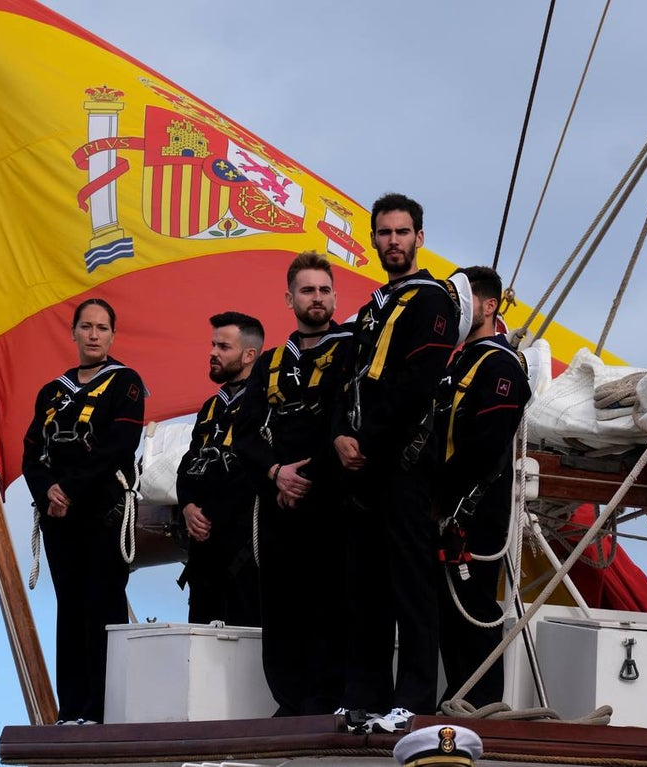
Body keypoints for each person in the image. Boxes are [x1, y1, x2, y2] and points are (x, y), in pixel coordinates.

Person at [334, 193, 461, 732]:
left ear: (419, 239)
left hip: (405, 464)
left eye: (402, 232)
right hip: (362, 467)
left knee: (411, 584)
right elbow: (347, 377)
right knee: (365, 585)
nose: (393, 241)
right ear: (373, 241)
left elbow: (417, 383)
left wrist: (365, 438)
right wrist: (340, 435)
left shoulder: (432, 302)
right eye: (384, 233)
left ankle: (414, 699)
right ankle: (364, 695)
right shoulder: (372, 309)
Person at [234, 251, 354, 715]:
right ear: (289, 299)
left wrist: (306, 476)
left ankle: (327, 699)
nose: (317, 298)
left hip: (333, 500)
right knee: (281, 603)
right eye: (307, 290)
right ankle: (289, 700)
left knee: (332, 600)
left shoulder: (353, 350)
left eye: (324, 290)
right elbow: (244, 432)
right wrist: (275, 474)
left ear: (335, 297)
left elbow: (350, 421)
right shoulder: (270, 363)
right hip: (279, 501)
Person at [21, 298, 146, 725]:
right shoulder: (51, 392)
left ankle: (101, 711)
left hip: (103, 512)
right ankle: (70, 709)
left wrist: (70, 489)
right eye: (86, 327)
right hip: (60, 518)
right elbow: (32, 452)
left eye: (102, 328)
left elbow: (118, 447)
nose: (94, 335)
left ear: (113, 335)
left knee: (102, 608)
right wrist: (48, 492)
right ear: (73, 332)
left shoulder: (125, 383)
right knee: (70, 610)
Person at [432, 266, 531, 709]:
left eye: (464, 298)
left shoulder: (500, 364)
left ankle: (482, 705)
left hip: (473, 510)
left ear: (490, 306)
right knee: (448, 610)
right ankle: (459, 698)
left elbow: (485, 444)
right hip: (445, 507)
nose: (456, 306)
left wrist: (438, 495)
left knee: (473, 607)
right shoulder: (457, 362)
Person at [177, 311, 265, 626]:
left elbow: (256, 468)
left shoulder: (266, 402)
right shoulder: (211, 407)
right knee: (200, 644)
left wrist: (210, 514)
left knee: (243, 642)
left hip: (244, 553)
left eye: (224, 347)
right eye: (213, 345)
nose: (213, 352)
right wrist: (187, 506)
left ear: (249, 355)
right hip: (204, 556)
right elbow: (189, 463)